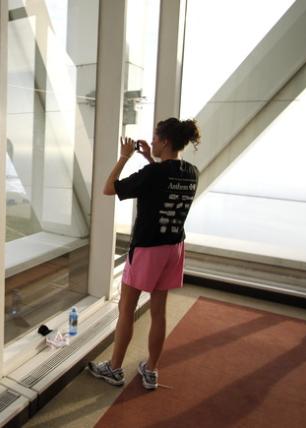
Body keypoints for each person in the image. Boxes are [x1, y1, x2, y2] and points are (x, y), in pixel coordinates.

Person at [87, 118, 201, 390]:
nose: (152, 142)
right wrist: (150, 159)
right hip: (174, 248)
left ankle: (114, 369)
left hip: (148, 249)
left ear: (165, 141)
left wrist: (124, 157)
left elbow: (108, 188)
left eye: (155, 138)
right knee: (159, 312)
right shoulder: (191, 172)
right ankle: (151, 370)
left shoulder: (154, 174)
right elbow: (166, 181)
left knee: (126, 309)